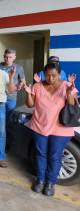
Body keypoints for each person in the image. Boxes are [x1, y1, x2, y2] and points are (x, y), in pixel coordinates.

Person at [24, 63, 77, 196]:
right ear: (43, 74)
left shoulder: (67, 86)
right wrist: (28, 93)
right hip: (39, 125)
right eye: (47, 75)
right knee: (40, 154)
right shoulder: (38, 86)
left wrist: (69, 93)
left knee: (55, 156)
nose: (50, 78)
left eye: (54, 75)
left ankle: (51, 183)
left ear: (60, 74)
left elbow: (73, 105)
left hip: (60, 129)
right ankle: (41, 180)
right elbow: (30, 105)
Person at [0, 49, 26, 120]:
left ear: (14, 58)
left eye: (10, 57)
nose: (8, 59)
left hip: (11, 98)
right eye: (6, 57)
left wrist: (20, 85)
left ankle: (6, 131)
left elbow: (23, 81)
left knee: (8, 118)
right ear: (4, 56)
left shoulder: (19, 68)